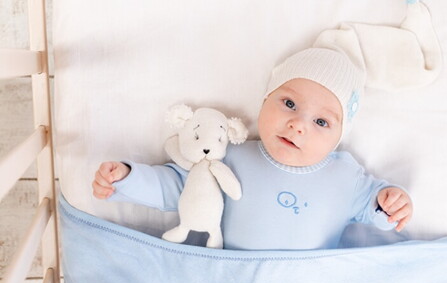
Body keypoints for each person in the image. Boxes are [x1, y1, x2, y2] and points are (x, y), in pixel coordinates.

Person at [92, 46, 414, 250]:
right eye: (289, 103)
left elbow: (378, 214)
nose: (298, 124)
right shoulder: (231, 156)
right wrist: (128, 178)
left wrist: (391, 203)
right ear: (264, 100)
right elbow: (178, 188)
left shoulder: (346, 176)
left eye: (321, 122)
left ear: (340, 135)